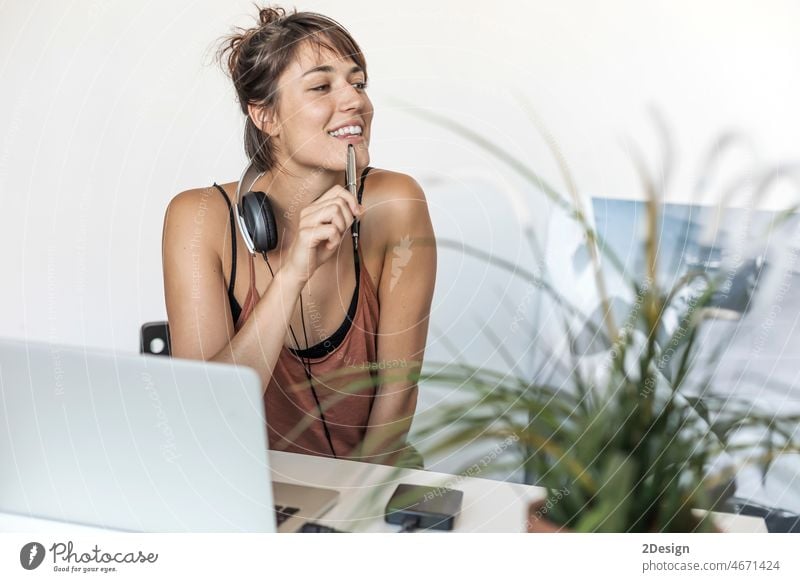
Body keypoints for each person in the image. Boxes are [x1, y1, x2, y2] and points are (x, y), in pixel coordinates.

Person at [161, 6, 436, 467]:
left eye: (358, 82)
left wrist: (346, 512)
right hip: (241, 484)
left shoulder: (396, 204)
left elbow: (398, 394)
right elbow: (205, 414)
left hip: (367, 484)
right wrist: (292, 276)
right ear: (265, 116)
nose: (356, 101)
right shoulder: (200, 218)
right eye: (322, 86)